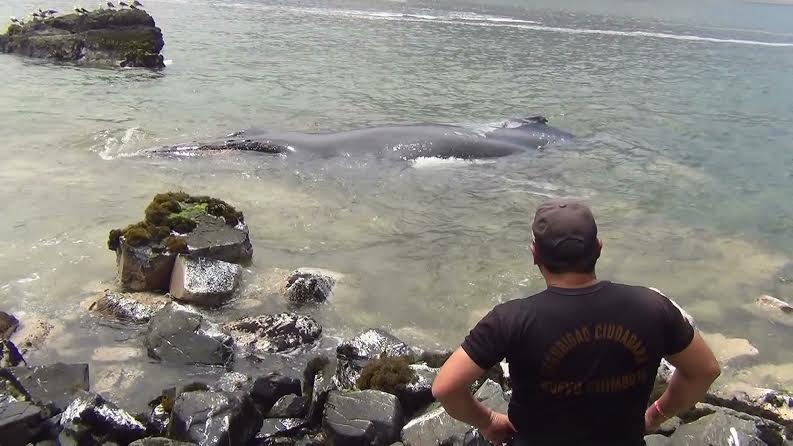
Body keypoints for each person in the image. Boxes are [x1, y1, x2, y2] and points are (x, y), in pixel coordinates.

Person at [432, 199, 721, 445]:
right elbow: (704, 370)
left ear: (535, 254)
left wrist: (489, 420)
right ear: (598, 248)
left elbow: (446, 387)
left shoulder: (511, 319)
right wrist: (657, 414)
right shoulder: (652, 307)